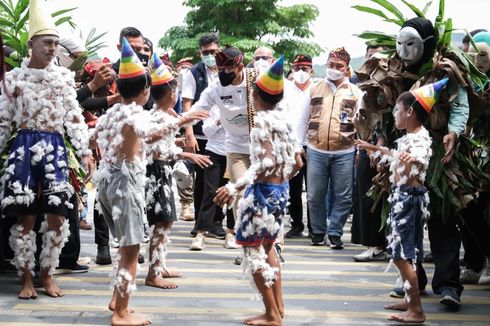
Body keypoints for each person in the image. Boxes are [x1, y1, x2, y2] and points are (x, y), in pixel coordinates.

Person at [93, 38, 208, 326]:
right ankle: (121, 313)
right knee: (131, 247)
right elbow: (153, 135)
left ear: (117, 89)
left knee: (125, 245)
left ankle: (117, 299)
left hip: (106, 182)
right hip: (125, 183)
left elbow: (90, 139)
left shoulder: (110, 114)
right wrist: (184, 121)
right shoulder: (135, 114)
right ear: (145, 92)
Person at [0, 0, 93, 299]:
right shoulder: (14, 79)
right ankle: (26, 278)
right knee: (25, 219)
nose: (53, 49)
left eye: (56, 44)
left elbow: (75, 117)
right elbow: (3, 121)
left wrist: (85, 151)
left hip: (55, 149)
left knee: (58, 217)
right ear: (32, 44)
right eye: (47, 43)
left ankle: (47, 274)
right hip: (24, 149)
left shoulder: (64, 78)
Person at [214, 56, 302, 326]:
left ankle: (272, 314)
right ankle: (279, 307)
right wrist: (279, 182)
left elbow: (263, 163)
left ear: (254, 96)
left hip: (263, 194)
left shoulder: (261, 123)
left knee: (253, 252)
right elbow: (297, 163)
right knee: (269, 248)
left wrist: (235, 185)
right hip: (280, 190)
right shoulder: (285, 122)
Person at [356, 79, 448, 324]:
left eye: (397, 110)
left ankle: (416, 310)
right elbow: (399, 155)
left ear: (409, 112)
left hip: (408, 200)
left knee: (401, 255)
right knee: (409, 253)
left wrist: (411, 158)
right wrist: (373, 149)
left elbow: (419, 157)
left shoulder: (418, 139)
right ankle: (410, 300)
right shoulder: (410, 136)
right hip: (405, 198)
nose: (394, 115)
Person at [145, 53, 211, 287]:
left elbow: (165, 145)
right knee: (162, 222)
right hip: (156, 172)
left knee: (168, 221)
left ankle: (160, 264)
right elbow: (156, 151)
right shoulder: (158, 117)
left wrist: (181, 145)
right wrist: (187, 153)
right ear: (171, 94)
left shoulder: (168, 115)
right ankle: (153, 274)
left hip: (164, 172)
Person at [189, 45, 256, 250]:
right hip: (234, 148)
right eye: (220, 70)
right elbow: (198, 108)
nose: (224, 74)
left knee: (263, 194)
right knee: (240, 193)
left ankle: (269, 242)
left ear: (240, 65)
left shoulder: (257, 80)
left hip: (260, 146)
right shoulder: (217, 86)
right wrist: (179, 122)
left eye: (228, 70)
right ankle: (245, 241)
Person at [303, 47, 362, 249]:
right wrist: (299, 145)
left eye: (339, 66)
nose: (334, 69)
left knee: (344, 196)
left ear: (346, 70)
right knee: (315, 195)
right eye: (331, 65)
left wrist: (360, 149)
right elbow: (303, 118)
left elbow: (362, 122)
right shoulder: (315, 88)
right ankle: (318, 232)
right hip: (316, 149)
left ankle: (335, 232)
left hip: (345, 151)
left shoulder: (356, 93)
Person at [351, 45, 390, 262]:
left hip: (385, 150)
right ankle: (373, 243)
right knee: (366, 195)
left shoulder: (388, 89)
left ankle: (382, 244)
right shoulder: (365, 89)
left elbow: (385, 121)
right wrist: (363, 147)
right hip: (367, 148)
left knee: (379, 197)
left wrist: (379, 147)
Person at [181, 33, 221, 226]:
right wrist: (189, 134)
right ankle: (201, 222)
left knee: (221, 180)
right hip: (199, 134)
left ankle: (217, 222)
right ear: (200, 52)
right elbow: (187, 104)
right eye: (206, 52)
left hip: (223, 135)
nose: (210, 55)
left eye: (213, 51)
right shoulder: (194, 72)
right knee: (202, 179)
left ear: (219, 49)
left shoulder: (227, 70)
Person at [283, 54, 313, 238]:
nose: (301, 72)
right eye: (297, 69)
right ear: (292, 70)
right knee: (293, 189)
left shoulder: (318, 88)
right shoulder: (285, 89)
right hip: (291, 145)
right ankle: (296, 224)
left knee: (314, 189)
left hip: (313, 145)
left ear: (311, 70)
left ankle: (315, 226)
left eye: (305, 69)